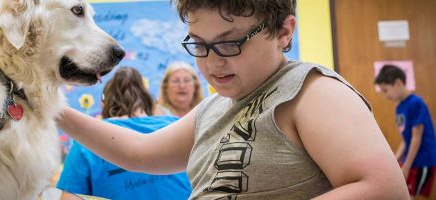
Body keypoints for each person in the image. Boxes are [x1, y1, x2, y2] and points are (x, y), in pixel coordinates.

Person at [57, 0, 409, 199]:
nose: (212, 61)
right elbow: (139, 152)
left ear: (284, 32)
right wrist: (53, 110)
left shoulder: (311, 91)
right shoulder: (215, 107)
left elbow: (384, 190)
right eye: (198, 43)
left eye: (230, 43)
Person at [56, 67, 191, 200]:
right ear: (149, 103)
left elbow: (69, 197)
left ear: (104, 104)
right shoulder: (177, 127)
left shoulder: (87, 142)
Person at [375, 64, 436, 199]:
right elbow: (406, 138)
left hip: (422, 160)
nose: (385, 96)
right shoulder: (399, 108)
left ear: (398, 83)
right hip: (410, 160)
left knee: (410, 196)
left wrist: (406, 166)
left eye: (385, 90)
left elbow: (416, 137)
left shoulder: (416, 103)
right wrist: (395, 160)